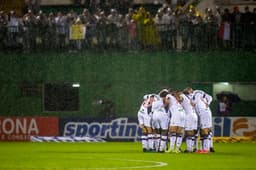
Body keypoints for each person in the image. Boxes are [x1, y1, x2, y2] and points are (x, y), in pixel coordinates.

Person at [185, 87, 214, 153]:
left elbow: (209, 97)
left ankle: (206, 149)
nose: (189, 91)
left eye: (189, 90)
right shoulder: (192, 95)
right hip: (201, 113)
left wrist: (208, 103)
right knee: (201, 130)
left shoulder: (197, 92)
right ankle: (201, 148)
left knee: (205, 130)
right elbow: (209, 97)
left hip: (203, 112)